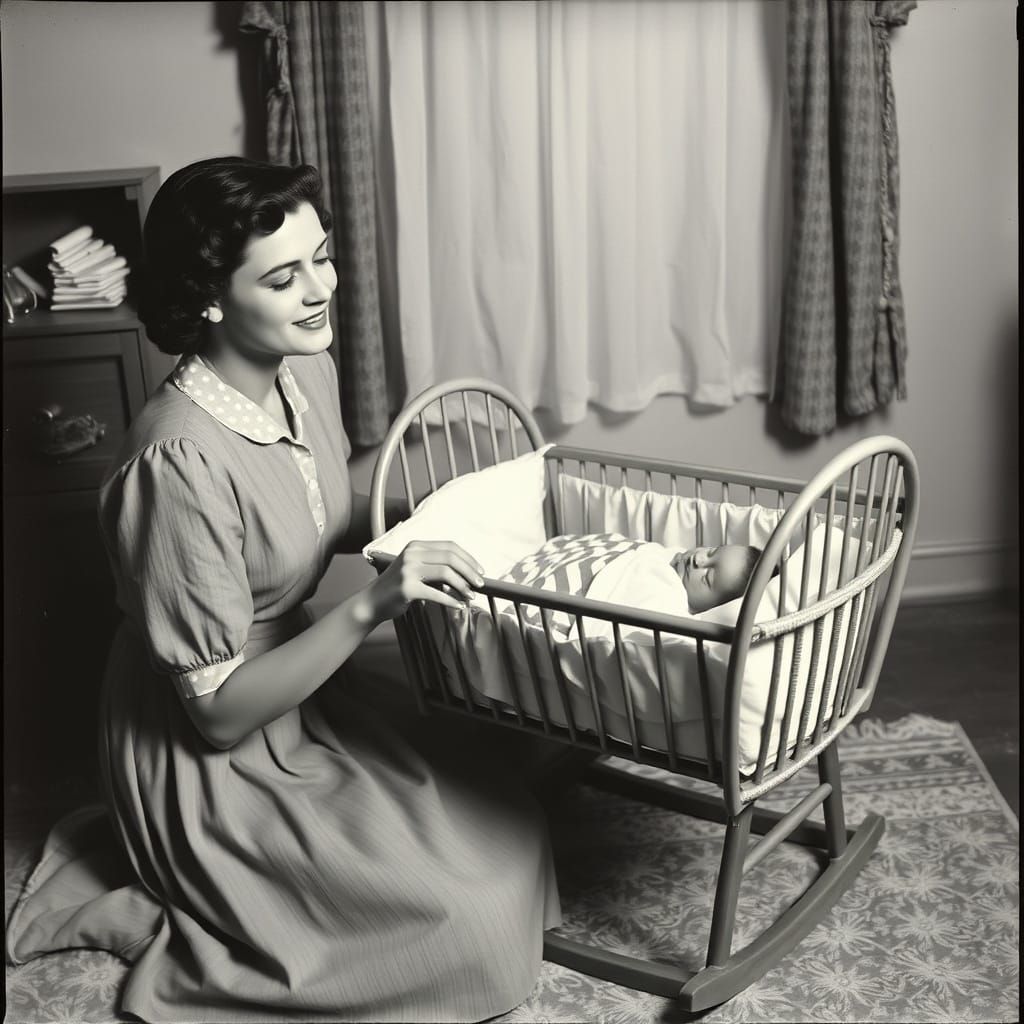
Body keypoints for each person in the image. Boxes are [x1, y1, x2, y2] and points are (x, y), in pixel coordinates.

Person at [5, 157, 560, 1023]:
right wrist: (374, 604)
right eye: (284, 274)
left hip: (302, 680)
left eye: (323, 258)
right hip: (210, 742)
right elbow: (218, 713)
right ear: (212, 297)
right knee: (472, 915)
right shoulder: (175, 461)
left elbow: (306, 515)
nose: (320, 290)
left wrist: (459, 488)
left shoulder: (304, 372)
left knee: (509, 783)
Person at [669, 543, 764, 613]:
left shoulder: (672, 607)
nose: (697, 559)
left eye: (706, 577)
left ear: (713, 610)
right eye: (711, 552)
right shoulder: (673, 550)